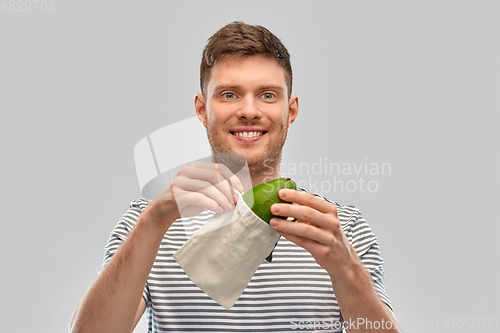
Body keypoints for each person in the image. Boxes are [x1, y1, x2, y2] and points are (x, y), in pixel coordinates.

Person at [70, 21, 401, 333]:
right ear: (202, 110)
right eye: (229, 94)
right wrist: (154, 220)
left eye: (268, 95)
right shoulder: (150, 221)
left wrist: (345, 268)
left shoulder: (341, 228)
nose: (249, 110)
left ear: (291, 111)